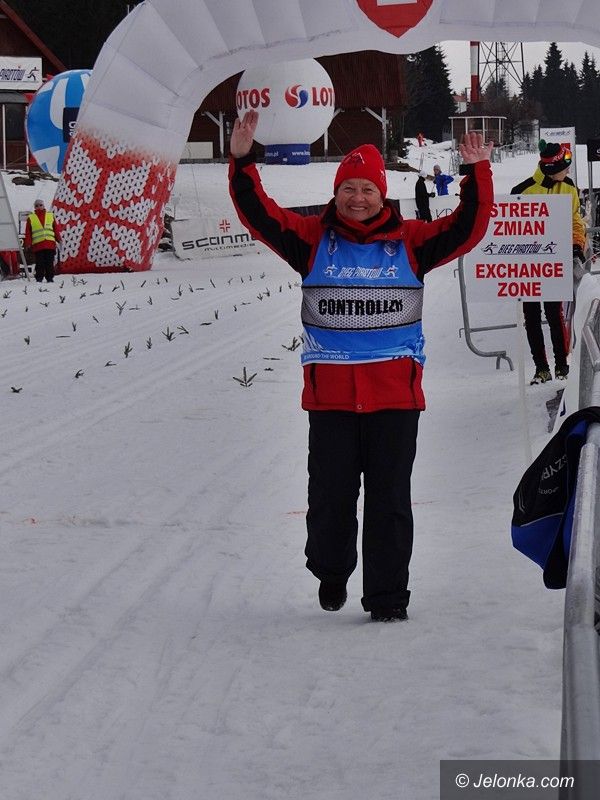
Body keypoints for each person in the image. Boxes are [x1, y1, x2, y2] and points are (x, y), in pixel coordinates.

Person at [229, 110, 493, 622]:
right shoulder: (311, 239)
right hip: (330, 400)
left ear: (382, 194)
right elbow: (260, 216)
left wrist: (477, 172)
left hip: (395, 397)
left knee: (389, 500)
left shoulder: (411, 241)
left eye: (367, 189)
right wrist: (242, 162)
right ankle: (332, 572)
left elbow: (467, 228)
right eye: (348, 188)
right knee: (331, 498)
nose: (357, 198)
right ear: (335, 193)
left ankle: (388, 598)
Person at [511, 141, 586, 384]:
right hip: (528, 265)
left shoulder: (569, 187)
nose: (568, 171)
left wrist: (576, 245)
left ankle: (562, 366)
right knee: (531, 316)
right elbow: (510, 230)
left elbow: (576, 220)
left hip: (554, 263)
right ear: (552, 169)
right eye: (565, 167)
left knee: (555, 314)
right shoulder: (523, 190)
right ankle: (541, 368)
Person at [23, 198, 60, 283]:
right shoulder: (31, 217)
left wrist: (59, 239)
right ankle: (39, 278)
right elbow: (28, 232)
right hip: (38, 245)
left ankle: (50, 278)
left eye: (40, 205)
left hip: (50, 244)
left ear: (43, 206)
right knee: (40, 263)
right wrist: (28, 243)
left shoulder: (50, 215)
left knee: (49, 262)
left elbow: (55, 229)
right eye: (36, 205)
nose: (39, 207)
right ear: (34, 207)